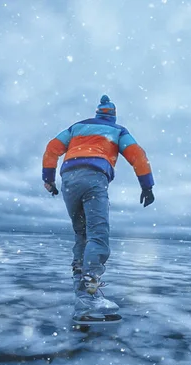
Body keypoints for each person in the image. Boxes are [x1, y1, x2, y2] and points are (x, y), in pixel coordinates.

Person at [42, 95, 155, 320]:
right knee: (98, 236)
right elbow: (138, 156)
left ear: (97, 113)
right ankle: (89, 298)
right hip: (94, 178)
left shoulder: (77, 127)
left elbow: (52, 148)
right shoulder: (118, 131)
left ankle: (81, 295)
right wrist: (147, 185)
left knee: (81, 235)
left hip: (69, 180)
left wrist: (49, 179)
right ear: (112, 115)